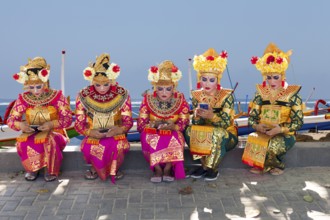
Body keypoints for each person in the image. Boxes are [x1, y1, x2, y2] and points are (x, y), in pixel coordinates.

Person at [7, 57, 72, 182]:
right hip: (32, 133)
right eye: (31, 87)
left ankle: (51, 170)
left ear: (45, 83)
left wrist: (51, 124)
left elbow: (68, 118)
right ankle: (32, 169)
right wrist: (21, 125)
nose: (35, 91)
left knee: (48, 140)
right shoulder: (23, 99)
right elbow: (11, 120)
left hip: (55, 133)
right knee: (22, 142)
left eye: (38, 86)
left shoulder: (57, 96)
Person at [242, 43, 303, 175]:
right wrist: (257, 126)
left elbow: (298, 122)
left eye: (275, 77)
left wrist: (280, 129)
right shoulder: (260, 94)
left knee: (271, 146)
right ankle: (262, 164)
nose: (272, 81)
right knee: (253, 139)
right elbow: (252, 117)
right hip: (264, 131)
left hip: (285, 135)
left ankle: (278, 165)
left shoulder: (292, 95)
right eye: (268, 77)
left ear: (282, 76)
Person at [74, 53, 133, 183]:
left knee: (119, 145)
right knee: (89, 147)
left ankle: (114, 169)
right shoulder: (83, 96)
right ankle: (95, 168)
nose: (101, 88)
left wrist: (119, 130)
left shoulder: (122, 94)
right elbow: (78, 124)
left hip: (115, 134)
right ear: (92, 81)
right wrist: (90, 132)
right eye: (97, 85)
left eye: (105, 84)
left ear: (111, 81)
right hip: (93, 135)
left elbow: (128, 122)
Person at [184, 48, 238, 181]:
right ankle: (203, 165)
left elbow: (226, 122)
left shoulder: (226, 96)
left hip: (226, 133)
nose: (207, 83)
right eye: (204, 79)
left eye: (211, 80)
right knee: (190, 130)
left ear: (217, 80)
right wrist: (196, 116)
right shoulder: (197, 95)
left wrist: (211, 116)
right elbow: (197, 123)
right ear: (200, 79)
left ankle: (211, 168)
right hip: (206, 130)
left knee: (217, 133)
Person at [137, 60, 190, 183]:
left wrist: (173, 127)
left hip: (173, 132)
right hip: (153, 132)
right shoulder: (148, 99)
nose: (164, 92)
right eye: (160, 89)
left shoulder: (180, 99)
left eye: (168, 89)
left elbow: (184, 121)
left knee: (176, 137)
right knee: (147, 136)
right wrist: (153, 125)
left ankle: (167, 168)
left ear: (173, 88)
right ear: (155, 88)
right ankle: (157, 169)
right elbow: (141, 124)